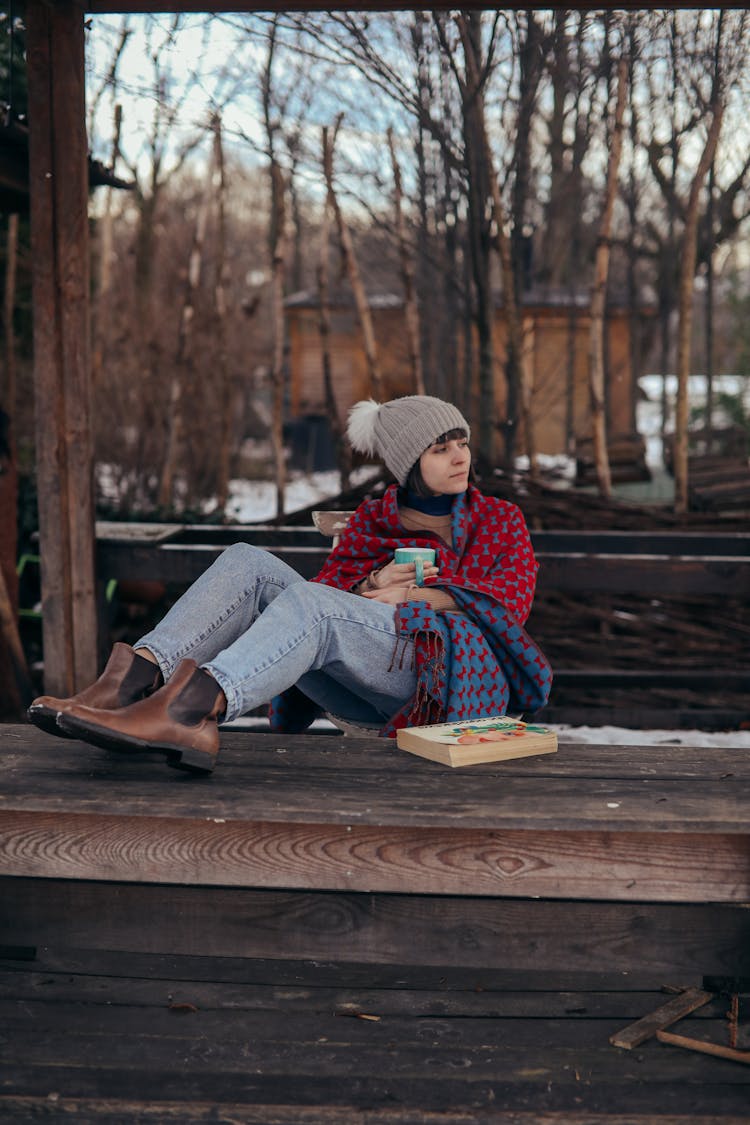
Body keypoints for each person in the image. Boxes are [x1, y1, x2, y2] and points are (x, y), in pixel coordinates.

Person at [28, 395, 552, 775]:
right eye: (441, 450)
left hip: (451, 681)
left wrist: (416, 596)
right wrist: (370, 585)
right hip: (364, 675)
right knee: (247, 561)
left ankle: (191, 709)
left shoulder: (499, 519)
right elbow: (322, 598)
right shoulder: (373, 521)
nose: (460, 457)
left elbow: (512, 603)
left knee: (315, 606)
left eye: (461, 444)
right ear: (409, 463)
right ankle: (127, 684)